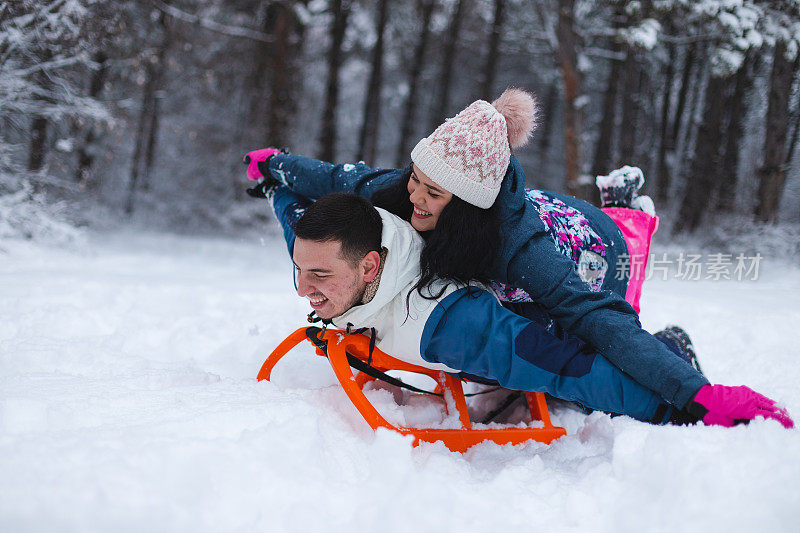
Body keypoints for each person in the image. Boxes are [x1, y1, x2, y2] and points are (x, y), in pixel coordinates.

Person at [243, 87, 705, 414]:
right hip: (534, 214)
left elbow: (595, 313)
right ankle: (622, 207)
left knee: (583, 347)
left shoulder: (518, 248)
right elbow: (334, 178)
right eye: (415, 181)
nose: (415, 200)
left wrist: (693, 394)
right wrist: (275, 169)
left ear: (465, 205)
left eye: (434, 194)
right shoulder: (407, 190)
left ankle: (632, 226)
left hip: (591, 252)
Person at [266, 188, 793, 429]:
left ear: (372, 268)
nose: (303, 289)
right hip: (529, 227)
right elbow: (312, 201)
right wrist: (277, 181)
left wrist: (685, 406)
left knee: (595, 342)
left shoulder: (445, 325)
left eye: (318, 276)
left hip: (580, 256)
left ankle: (670, 342)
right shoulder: (378, 211)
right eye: (299, 270)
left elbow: (565, 366)